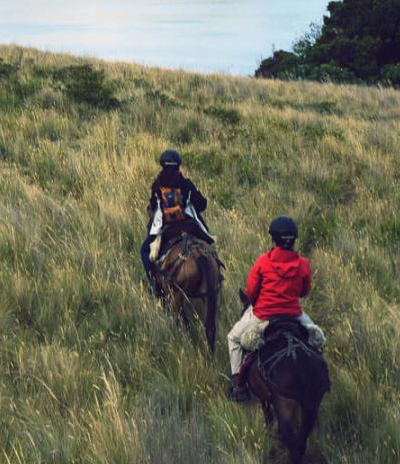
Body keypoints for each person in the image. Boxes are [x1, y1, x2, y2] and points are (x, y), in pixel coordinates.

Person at [227, 215, 325, 401]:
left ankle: (237, 384)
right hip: (294, 316)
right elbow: (304, 291)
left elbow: (250, 291)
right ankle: (318, 378)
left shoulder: (263, 261)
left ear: (274, 239)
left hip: (263, 315)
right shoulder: (303, 264)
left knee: (233, 338)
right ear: (293, 240)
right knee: (318, 338)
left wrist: (257, 302)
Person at [139, 148, 214, 297]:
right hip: (190, 227)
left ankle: (154, 284)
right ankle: (216, 276)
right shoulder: (186, 184)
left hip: (166, 230)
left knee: (144, 250)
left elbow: (153, 208)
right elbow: (202, 205)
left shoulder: (157, 186)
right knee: (208, 245)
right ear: (178, 166)